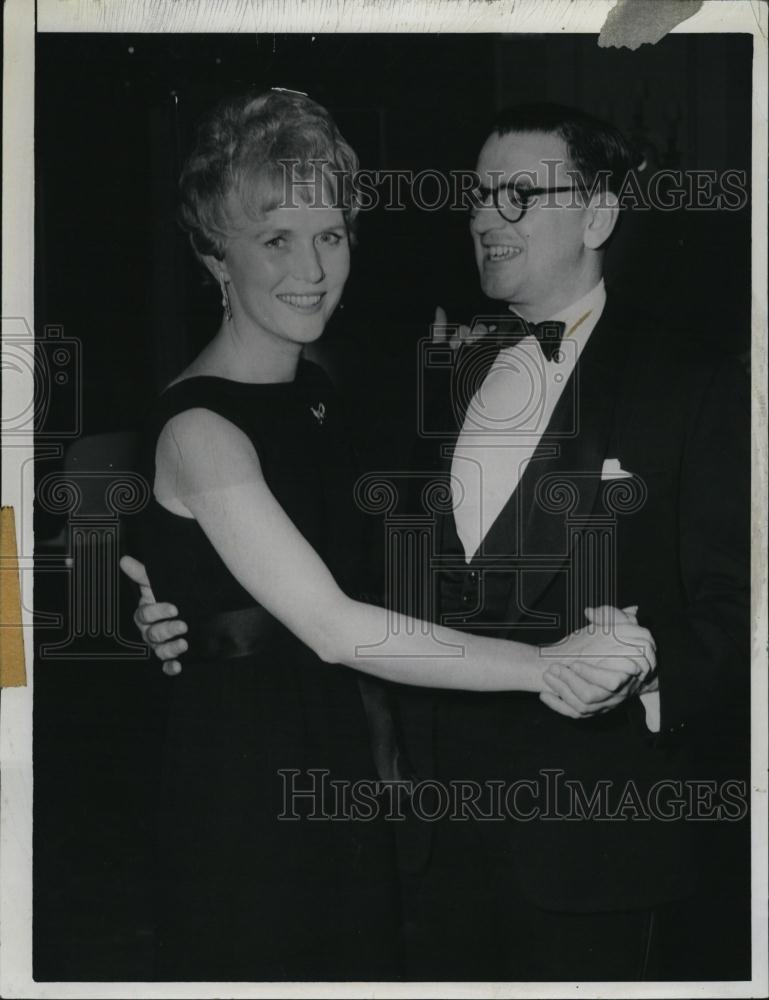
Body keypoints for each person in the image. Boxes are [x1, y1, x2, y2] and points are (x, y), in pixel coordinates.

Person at [122, 91, 652, 981]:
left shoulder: (318, 401)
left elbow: (378, 571)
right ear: (216, 252)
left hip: (338, 768)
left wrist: (200, 613)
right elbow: (335, 626)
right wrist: (544, 664)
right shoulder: (200, 429)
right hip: (247, 790)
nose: (312, 268)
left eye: (329, 234)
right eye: (275, 238)